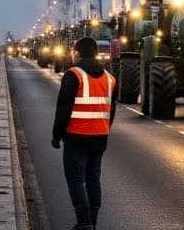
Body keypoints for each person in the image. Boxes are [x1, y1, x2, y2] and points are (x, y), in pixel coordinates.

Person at [53, 36, 116, 230]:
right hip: (100, 137)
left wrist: (57, 135)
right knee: (93, 179)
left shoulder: (74, 75)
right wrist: (104, 128)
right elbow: (111, 109)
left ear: (77, 53)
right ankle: (93, 221)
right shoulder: (109, 77)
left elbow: (63, 108)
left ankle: (84, 222)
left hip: (76, 136)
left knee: (76, 179)